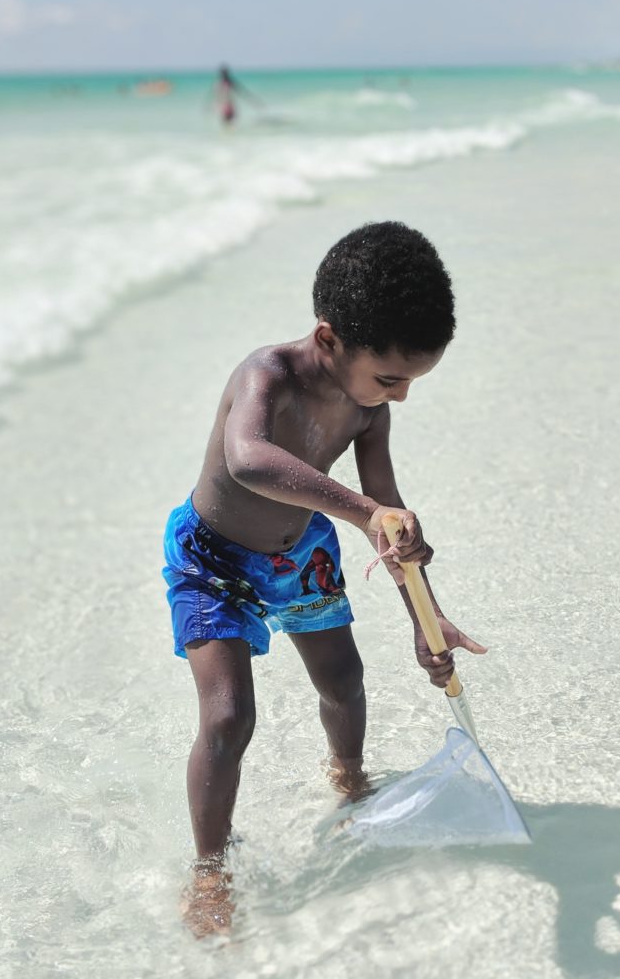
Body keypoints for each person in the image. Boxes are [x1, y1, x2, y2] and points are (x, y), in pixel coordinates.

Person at [162, 221, 487, 934]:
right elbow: (247, 458)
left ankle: (350, 780)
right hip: (213, 560)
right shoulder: (267, 376)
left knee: (343, 682)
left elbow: (391, 525)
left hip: (301, 552)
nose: (397, 399)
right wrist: (367, 512)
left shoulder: (369, 409)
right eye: (391, 378)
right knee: (227, 717)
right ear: (331, 337)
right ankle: (210, 870)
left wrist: (427, 623)